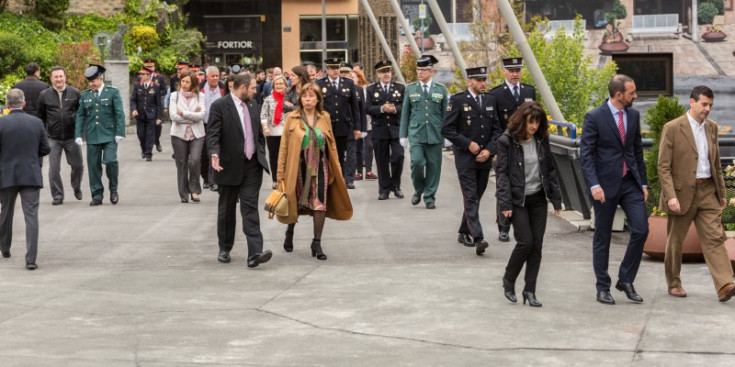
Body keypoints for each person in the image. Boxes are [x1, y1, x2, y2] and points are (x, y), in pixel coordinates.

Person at [658, 85, 735, 302]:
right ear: (692, 102)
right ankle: (673, 282)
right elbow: (663, 166)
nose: (707, 109)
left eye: (710, 105)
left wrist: (721, 192)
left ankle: (724, 285)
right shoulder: (673, 128)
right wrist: (670, 195)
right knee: (675, 240)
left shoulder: (712, 128)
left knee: (714, 238)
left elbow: (716, 163)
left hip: (707, 190)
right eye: (704, 104)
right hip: (681, 193)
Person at [580, 74, 649, 305]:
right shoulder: (594, 117)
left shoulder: (634, 115)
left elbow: (637, 150)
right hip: (604, 186)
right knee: (603, 237)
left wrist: (644, 183)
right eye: (632, 93)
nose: (636, 96)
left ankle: (626, 279)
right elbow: (586, 154)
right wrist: (594, 184)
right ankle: (602, 287)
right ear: (619, 95)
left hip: (630, 182)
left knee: (641, 230)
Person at [496, 102, 562, 307]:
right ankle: (509, 279)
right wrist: (505, 203)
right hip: (517, 200)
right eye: (530, 122)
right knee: (526, 242)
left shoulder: (542, 140)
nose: (534, 126)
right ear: (522, 120)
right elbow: (502, 175)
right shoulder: (506, 141)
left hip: (538, 199)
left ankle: (530, 291)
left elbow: (550, 170)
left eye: (537, 122)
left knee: (537, 246)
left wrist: (557, 200)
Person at [277, 83, 353, 260]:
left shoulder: (324, 116)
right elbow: (284, 147)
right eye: (304, 96)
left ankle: (316, 242)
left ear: (318, 99)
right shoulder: (292, 117)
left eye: (311, 96)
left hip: (320, 166)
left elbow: (332, 145)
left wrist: (339, 170)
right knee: (294, 202)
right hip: (297, 168)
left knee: (320, 202)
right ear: (300, 99)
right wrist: (280, 174)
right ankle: (290, 230)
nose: (308, 99)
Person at [206, 73, 273, 268]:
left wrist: (260, 151)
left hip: (252, 165)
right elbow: (213, 134)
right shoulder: (220, 106)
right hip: (227, 166)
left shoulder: (253, 104)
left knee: (249, 207)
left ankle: (255, 252)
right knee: (226, 209)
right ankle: (225, 247)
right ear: (241, 87)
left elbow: (258, 133)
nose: (255, 91)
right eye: (252, 87)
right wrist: (214, 153)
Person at [441, 67, 502, 254]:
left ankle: (463, 231)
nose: (483, 84)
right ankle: (478, 238)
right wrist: (468, 144)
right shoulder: (458, 100)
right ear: (470, 82)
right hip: (466, 158)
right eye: (478, 80)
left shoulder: (490, 99)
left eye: (484, 80)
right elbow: (447, 129)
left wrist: (490, 150)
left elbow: (497, 130)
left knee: (476, 196)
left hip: (484, 159)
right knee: (471, 196)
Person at [0, 89, 50, 270]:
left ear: (6, 105)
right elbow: (45, 149)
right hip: (30, 173)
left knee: (6, 212)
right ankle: (31, 259)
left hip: (6, 174)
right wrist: (31, 156)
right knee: (31, 216)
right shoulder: (36, 123)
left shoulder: (1, 123)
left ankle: (4, 248)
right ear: (24, 103)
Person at [489, 57, 537, 243]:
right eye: (511, 70)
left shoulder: (528, 91)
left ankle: (524, 225)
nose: (515, 73)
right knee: (504, 187)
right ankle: (503, 226)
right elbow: (494, 125)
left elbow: (535, 119)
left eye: (518, 70)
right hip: (505, 147)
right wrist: (494, 150)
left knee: (525, 185)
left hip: (526, 146)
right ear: (504, 72)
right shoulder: (496, 94)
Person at [399, 55, 448, 209]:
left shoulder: (441, 89)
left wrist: (448, 135)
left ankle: (429, 197)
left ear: (431, 71)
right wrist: (403, 135)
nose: (420, 73)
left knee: (434, 167)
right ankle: (419, 189)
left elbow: (446, 114)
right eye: (418, 70)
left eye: (423, 70)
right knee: (417, 163)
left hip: (435, 133)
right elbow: (405, 113)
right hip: (416, 134)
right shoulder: (411, 88)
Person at [74, 64, 126, 206]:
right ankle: (97, 195)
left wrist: (120, 132)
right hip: (92, 136)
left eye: (94, 81)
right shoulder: (85, 95)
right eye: (89, 82)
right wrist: (78, 134)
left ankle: (113, 189)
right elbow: (80, 116)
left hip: (109, 135)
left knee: (110, 161)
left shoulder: (112, 92)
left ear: (100, 78)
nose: (92, 84)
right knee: (93, 167)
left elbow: (119, 113)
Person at [36, 66, 84, 205]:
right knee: (54, 169)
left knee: (78, 166)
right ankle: (57, 195)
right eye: (56, 77)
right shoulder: (44, 95)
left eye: (61, 76)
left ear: (65, 77)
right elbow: (40, 117)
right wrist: (43, 135)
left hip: (72, 137)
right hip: (53, 138)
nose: (59, 79)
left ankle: (76, 186)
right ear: (51, 78)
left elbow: (81, 114)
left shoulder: (75, 93)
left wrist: (81, 134)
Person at [316, 58, 361, 189]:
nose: (336, 71)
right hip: (328, 126)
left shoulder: (348, 83)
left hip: (345, 124)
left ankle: (348, 179)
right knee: (332, 154)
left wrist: (357, 127)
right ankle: (335, 177)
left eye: (337, 68)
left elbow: (354, 107)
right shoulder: (320, 84)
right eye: (332, 68)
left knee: (347, 153)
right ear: (327, 70)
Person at [366, 60, 405, 200]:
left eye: (388, 71)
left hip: (396, 129)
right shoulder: (371, 89)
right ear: (378, 74)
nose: (386, 74)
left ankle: (396, 186)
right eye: (383, 71)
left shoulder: (400, 88)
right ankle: (384, 189)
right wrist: (382, 108)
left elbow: (405, 107)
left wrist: (394, 109)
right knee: (381, 161)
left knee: (398, 157)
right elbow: (368, 108)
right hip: (380, 129)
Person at [170, 72, 206, 204]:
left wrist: (184, 114)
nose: (184, 84)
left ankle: (194, 190)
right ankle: (184, 193)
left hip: (197, 134)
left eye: (187, 82)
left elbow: (201, 115)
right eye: (182, 81)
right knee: (182, 163)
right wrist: (192, 116)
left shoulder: (200, 96)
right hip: (178, 134)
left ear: (193, 84)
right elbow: (173, 116)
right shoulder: (174, 96)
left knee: (195, 160)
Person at [260, 76, 292, 189]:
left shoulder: (289, 99)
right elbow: (263, 115)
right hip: (272, 132)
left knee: (287, 157)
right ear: (273, 86)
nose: (279, 86)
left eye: (281, 84)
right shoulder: (268, 99)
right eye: (276, 84)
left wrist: (292, 106)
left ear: (285, 86)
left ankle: (286, 178)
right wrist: (265, 128)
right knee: (274, 157)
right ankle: (275, 179)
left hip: (287, 132)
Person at [131, 66, 163, 161]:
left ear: (148, 76)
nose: (141, 76)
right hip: (140, 115)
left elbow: (158, 104)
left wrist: (159, 117)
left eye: (143, 74)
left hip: (151, 115)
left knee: (150, 135)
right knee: (141, 134)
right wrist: (134, 109)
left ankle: (148, 154)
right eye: (141, 74)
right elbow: (133, 100)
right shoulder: (137, 86)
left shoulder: (155, 87)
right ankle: (144, 149)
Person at [201, 66, 225, 191]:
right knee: (203, 154)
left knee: (214, 151)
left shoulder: (223, 88)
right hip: (202, 125)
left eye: (217, 76)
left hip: (218, 126)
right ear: (206, 77)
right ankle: (205, 178)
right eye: (213, 76)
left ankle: (214, 181)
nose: (215, 78)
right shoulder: (199, 89)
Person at [350, 67, 374, 182]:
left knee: (369, 145)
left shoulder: (367, 89)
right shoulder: (351, 90)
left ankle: (368, 170)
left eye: (353, 77)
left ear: (359, 78)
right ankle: (359, 171)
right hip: (357, 122)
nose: (351, 79)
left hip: (368, 121)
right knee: (358, 147)